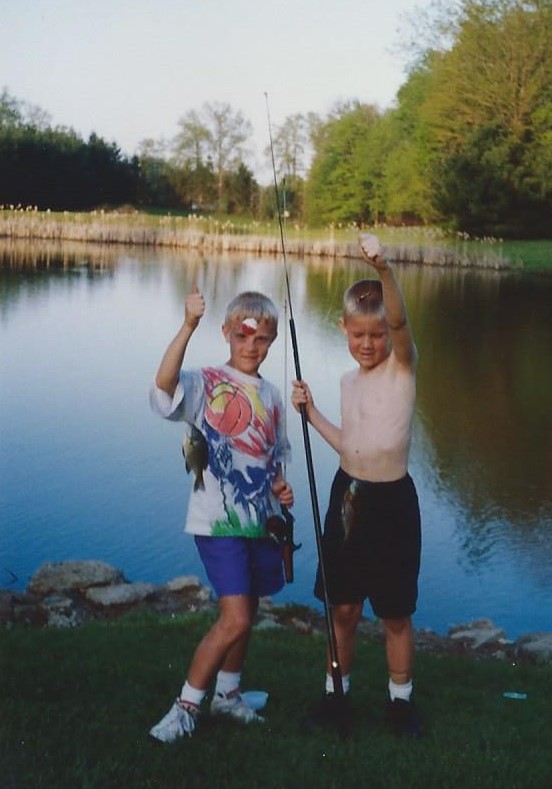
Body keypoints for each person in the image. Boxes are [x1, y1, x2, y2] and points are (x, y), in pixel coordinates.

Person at [149, 286, 294, 743]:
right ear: (227, 332)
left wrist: (279, 487)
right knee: (236, 619)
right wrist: (187, 325)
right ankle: (185, 706)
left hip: (260, 523)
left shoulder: (273, 396)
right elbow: (164, 388)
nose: (251, 346)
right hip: (218, 522)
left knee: (249, 608)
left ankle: (228, 695)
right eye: (242, 336)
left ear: (272, 341)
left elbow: (275, 457)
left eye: (262, 338)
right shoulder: (206, 382)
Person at [291, 234, 422, 738]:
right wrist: (311, 413)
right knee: (342, 608)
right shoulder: (348, 382)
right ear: (343, 329)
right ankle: (335, 695)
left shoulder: (402, 368)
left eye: (377, 334)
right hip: (348, 495)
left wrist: (383, 268)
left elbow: (401, 324)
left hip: (393, 502)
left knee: (395, 612)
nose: (368, 344)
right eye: (358, 334)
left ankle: (400, 703)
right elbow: (350, 444)